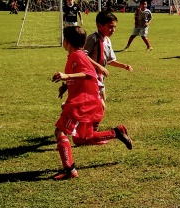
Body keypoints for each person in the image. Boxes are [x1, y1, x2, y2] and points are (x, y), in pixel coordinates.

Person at [52, 26, 133, 180]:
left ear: (66, 41)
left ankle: (70, 170)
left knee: (60, 132)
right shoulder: (77, 56)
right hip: (87, 101)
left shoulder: (78, 56)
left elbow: (88, 74)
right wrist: (65, 86)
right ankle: (116, 132)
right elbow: (80, 76)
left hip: (81, 103)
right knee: (83, 139)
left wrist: (66, 76)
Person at [81, 11, 133, 146]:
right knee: (99, 105)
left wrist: (123, 65)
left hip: (100, 78)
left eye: (114, 27)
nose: (113, 30)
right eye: (110, 27)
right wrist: (99, 66)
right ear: (99, 26)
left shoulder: (107, 40)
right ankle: (92, 134)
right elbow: (82, 55)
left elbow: (110, 60)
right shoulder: (93, 38)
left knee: (102, 102)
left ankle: (91, 131)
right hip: (91, 77)